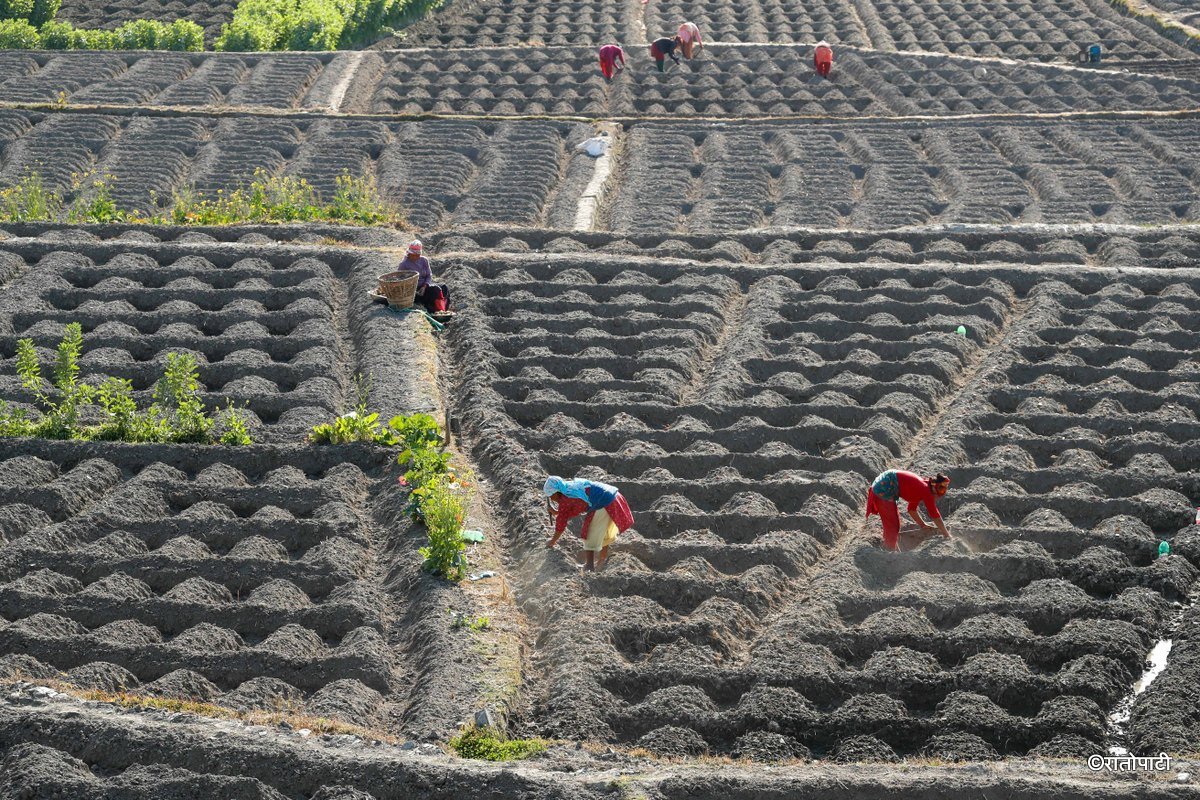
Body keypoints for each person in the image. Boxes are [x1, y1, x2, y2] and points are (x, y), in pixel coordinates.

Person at [544, 476, 634, 571]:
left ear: (557, 492)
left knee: (589, 532)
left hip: (604, 502)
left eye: (551, 496)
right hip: (613, 496)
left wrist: (552, 541)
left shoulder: (567, 498)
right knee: (604, 532)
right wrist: (558, 512)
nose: (551, 499)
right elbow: (571, 508)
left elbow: (561, 523)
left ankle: (589, 566)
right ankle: (601, 561)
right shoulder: (569, 488)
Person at [865, 470, 951, 551]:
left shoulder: (924, 487)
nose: (941, 493)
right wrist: (947, 535)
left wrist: (922, 525)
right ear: (934, 486)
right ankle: (889, 550)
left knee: (894, 524)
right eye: (941, 489)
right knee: (892, 525)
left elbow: (911, 510)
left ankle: (891, 549)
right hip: (883, 487)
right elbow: (935, 515)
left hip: (886, 483)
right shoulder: (926, 491)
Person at [401, 240, 449, 314]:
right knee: (435, 290)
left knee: (444, 287)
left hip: (425, 287)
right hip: (414, 292)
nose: (414, 257)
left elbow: (429, 275)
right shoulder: (404, 264)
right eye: (412, 254)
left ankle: (443, 311)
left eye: (417, 255)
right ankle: (431, 310)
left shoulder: (424, 260)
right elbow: (400, 279)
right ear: (409, 253)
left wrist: (424, 286)